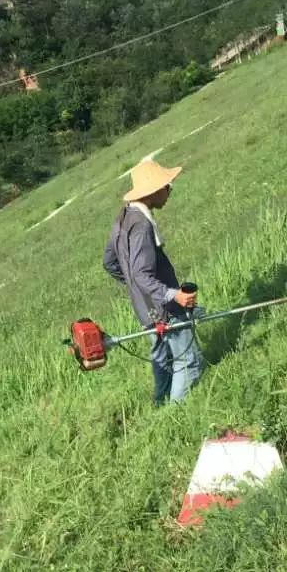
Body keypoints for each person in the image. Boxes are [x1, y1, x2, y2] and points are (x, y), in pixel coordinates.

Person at [103, 159, 203, 404]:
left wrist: (139, 291)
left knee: (163, 361)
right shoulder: (141, 226)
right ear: (152, 191)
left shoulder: (123, 217)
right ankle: (175, 417)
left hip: (145, 309)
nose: (170, 190)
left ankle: (160, 406)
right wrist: (173, 295)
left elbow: (110, 262)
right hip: (163, 309)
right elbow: (141, 274)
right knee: (188, 362)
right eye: (166, 186)